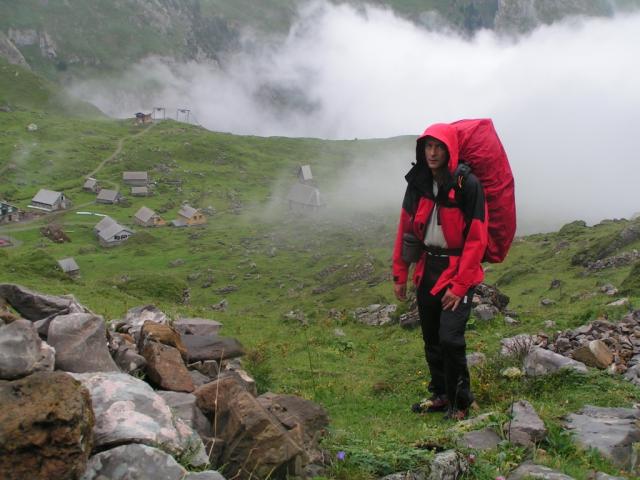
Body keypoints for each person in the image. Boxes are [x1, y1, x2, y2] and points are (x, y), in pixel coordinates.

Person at [392, 122, 488, 420]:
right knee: (432, 338)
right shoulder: (418, 183)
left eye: (438, 147)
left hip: (458, 270)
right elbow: (405, 229)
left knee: (450, 338)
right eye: (428, 147)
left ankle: (461, 402)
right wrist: (400, 273)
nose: (432, 153)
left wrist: (459, 286)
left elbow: (477, 239)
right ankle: (441, 395)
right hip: (427, 268)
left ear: (450, 151)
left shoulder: (467, 185)